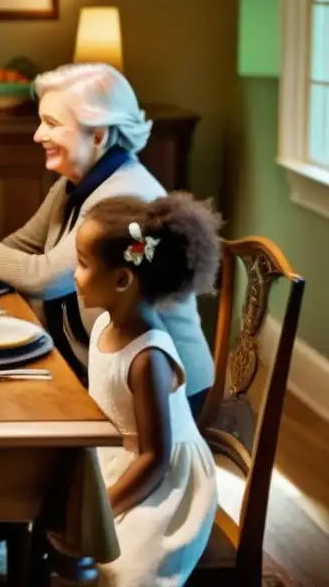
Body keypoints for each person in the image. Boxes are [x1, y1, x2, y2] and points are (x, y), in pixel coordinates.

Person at [0, 63, 214, 414]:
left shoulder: (123, 201)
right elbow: (20, 247)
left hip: (161, 394)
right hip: (97, 374)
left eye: (52, 124)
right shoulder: (74, 184)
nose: (37, 135)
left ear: (98, 135)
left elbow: (42, 278)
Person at [73, 193, 219, 586]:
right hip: (120, 457)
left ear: (123, 279)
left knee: (126, 574)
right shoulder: (105, 324)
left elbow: (156, 457)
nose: (74, 273)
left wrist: (103, 510)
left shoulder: (147, 357)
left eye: (83, 264)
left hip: (164, 482)